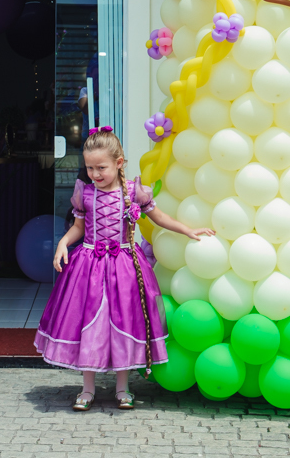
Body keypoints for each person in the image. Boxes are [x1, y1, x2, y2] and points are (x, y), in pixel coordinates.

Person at [34, 127, 215, 411]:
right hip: (90, 267)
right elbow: (78, 228)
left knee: (125, 323)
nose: (95, 174)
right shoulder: (86, 194)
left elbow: (159, 217)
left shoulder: (134, 192)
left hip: (124, 268)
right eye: (90, 168)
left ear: (119, 163)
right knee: (90, 324)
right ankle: (87, 388)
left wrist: (188, 230)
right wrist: (62, 243)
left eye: (101, 168)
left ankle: (122, 387)